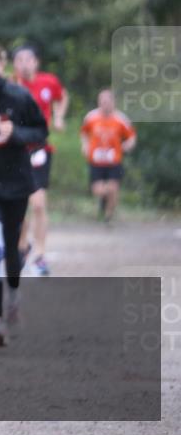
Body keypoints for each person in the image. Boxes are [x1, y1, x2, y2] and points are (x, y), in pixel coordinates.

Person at [0, 36, 48, 347]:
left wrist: (14, 132)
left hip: (15, 182)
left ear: (1, 64)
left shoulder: (18, 96)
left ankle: (13, 296)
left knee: (11, 252)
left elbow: (41, 132)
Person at [12, 45, 68, 276]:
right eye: (20, 60)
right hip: (14, 152)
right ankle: (22, 246)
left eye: (29, 59)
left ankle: (41, 255)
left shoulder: (49, 82)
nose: (24, 64)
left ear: (37, 62)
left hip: (40, 150)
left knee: (38, 203)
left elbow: (62, 96)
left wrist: (58, 116)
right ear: (14, 64)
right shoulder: (10, 86)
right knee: (18, 205)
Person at [80, 89, 136, 223]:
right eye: (101, 101)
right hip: (96, 160)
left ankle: (108, 216)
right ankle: (104, 201)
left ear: (113, 102)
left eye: (106, 101)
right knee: (98, 190)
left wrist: (128, 144)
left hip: (113, 160)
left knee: (114, 188)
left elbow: (131, 136)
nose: (104, 104)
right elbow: (84, 133)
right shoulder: (91, 117)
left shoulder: (121, 119)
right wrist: (85, 145)